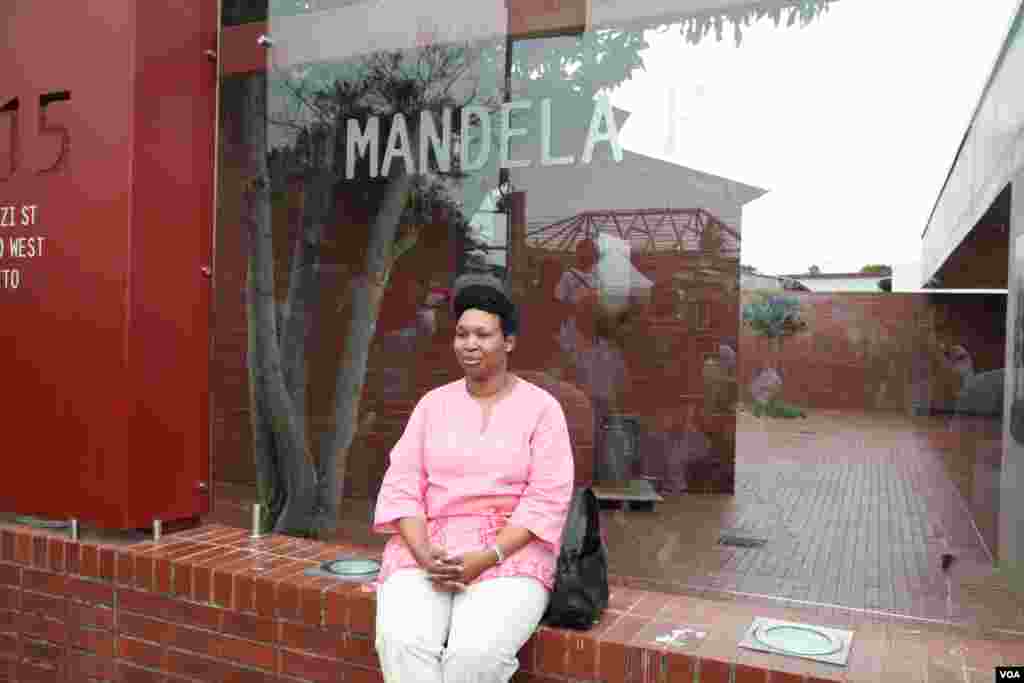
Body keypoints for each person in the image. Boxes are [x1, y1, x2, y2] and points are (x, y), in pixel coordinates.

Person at [373, 275, 575, 683]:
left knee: (474, 657)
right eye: (462, 334)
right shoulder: (433, 404)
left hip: (509, 552)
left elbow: (547, 499)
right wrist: (424, 552)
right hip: (430, 548)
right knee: (400, 642)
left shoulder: (542, 409)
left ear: (509, 342)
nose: (469, 344)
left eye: (483, 334)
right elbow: (401, 485)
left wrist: (486, 557)